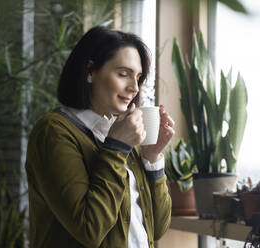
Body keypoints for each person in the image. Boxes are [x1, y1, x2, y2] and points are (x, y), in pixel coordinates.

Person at [25, 26, 174, 248]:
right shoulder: (54, 132)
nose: (134, 88)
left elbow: (158, 227)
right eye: (123, 74)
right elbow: (89, 229)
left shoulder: (124, 136)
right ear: (90, 72)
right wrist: (116, 148)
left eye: (138, 77)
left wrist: (152, 158)